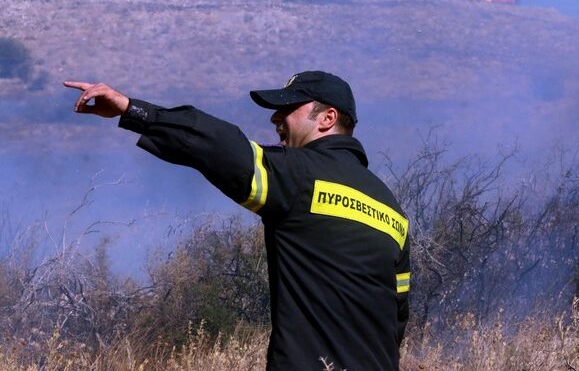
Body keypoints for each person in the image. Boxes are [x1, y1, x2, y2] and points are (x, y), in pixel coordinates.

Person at [64, 70, 410, 371]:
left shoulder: (299, 175)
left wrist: (133, 110)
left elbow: (218, 145)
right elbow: (397, 318)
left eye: (289, 109)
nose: (277, 119)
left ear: (327, 118)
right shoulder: (393, 212)